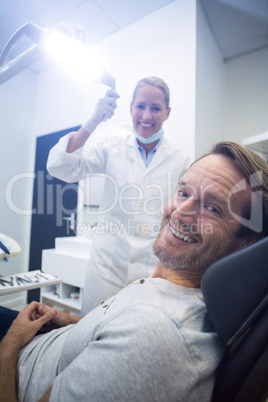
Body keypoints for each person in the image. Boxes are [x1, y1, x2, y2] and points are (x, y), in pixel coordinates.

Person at [1, 141, 267, 402]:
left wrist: (10, 345)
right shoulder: (175, 292)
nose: (180, 212)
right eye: (183, 193)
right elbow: (122, 332)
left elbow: (141, 341)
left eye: (212, 208)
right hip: (49, 340)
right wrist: (72, 321)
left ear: (246, 241)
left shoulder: (154, 338)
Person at [47, 76, 190, 315]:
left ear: (167, 112)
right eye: (140, 106)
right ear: (130, 108)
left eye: (156, 108)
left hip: (150, 270)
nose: (146, 115)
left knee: (135, 337)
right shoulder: (111, 145)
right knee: (89, 333)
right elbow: (62, 167)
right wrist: (92, 122)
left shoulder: (181, 160)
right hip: (106, 268)